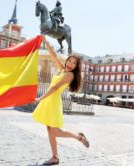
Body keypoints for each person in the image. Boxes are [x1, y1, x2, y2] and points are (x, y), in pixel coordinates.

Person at [32, 36, 89, 165]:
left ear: (76, 67)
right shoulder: (63, 70)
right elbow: (54, 56)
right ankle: (55, 157)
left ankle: (79, 137)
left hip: (53, 102)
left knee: (56, 132)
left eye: (74, 63)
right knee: (50, 131)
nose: (70, 64)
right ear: (67, 60)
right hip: (49, 100)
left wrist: (40, 98)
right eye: (70, 61)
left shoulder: (70, 75)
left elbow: (55, 87)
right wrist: (45, 42)